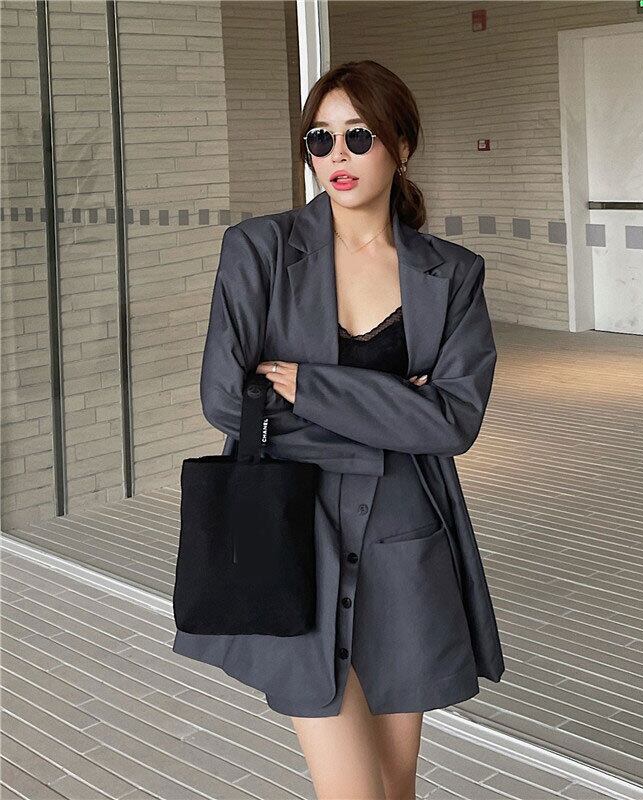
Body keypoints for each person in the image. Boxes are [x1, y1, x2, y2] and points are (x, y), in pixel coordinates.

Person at [172, 59, 504, 800]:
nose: (337, 156)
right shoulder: (259, 249)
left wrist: (312, 386)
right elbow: (226, 399)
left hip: (405, 535)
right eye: (320, 139)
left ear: (401, 145)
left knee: (396, 782)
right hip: (292, 529)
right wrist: (392, 406)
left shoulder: (452, 273)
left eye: (359, 136)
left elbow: (454, 420)